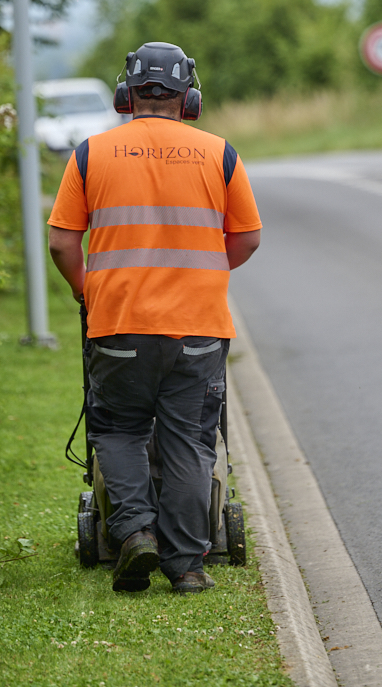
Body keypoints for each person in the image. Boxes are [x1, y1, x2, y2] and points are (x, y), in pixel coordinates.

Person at [48, 41, 262, 595]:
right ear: (188, 97)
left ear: (127, 95)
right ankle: (186, 565)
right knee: (190, 440)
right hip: (198, 327)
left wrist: (87, 291)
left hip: (118, 323)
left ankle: (136, 533)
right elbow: (247, 237)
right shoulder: (220, 154)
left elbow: (62, 242)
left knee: (118, 429)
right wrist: (207, 270)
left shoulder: (91, 154)